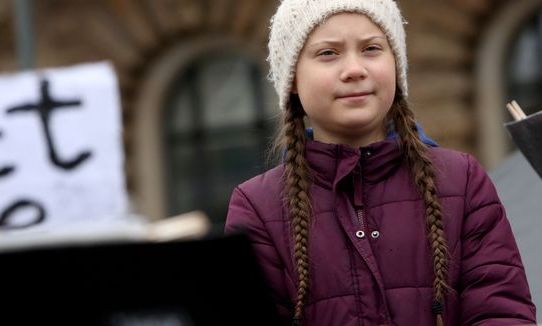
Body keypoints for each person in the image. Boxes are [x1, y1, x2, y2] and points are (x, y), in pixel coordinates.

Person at [225, 0, 537, 325]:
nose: (355, 69)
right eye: (328, 53)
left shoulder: (462, 180)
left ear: (396, 65)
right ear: (291, 80)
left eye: (371, 48)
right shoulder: (257, 208)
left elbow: (502, 312)